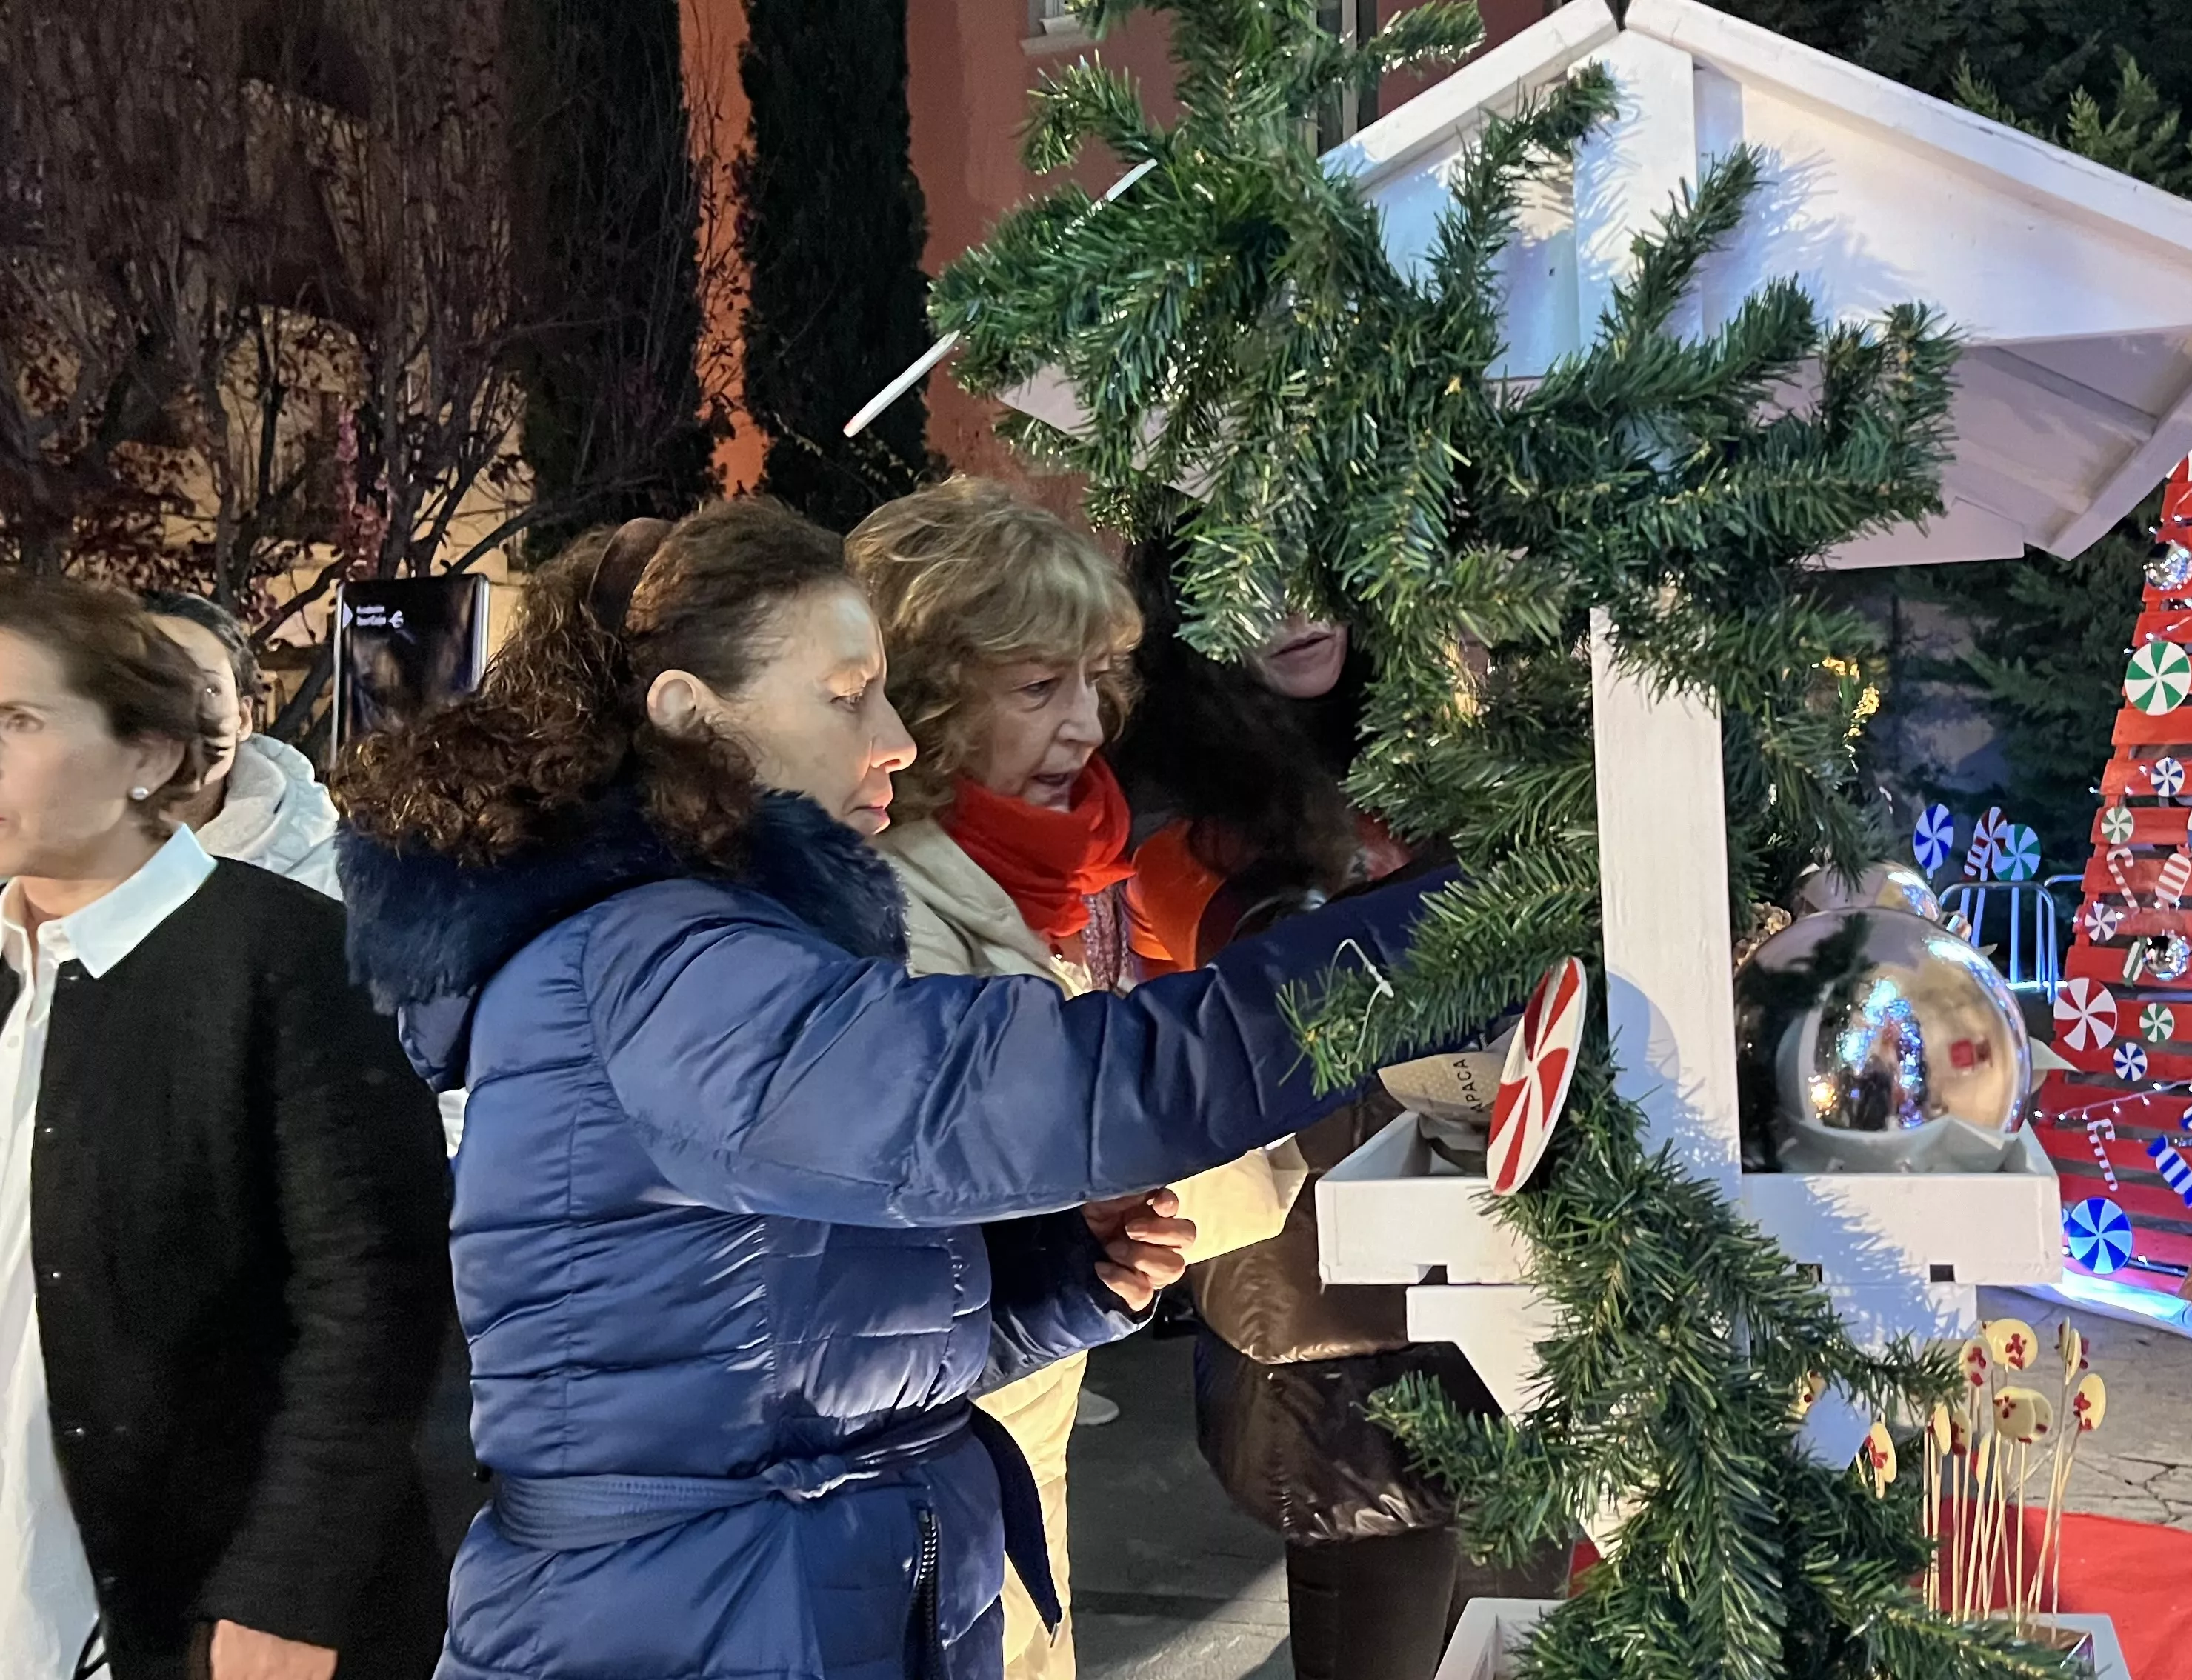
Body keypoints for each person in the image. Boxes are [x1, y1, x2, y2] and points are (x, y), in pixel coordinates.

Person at [333, 500, 1445, 1680]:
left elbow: (785, 1352)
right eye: (847, 695)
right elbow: (1092, 1083)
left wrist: (1051, 1280)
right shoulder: (666, 964)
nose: (897, 740)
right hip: (701, 1622)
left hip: (777, 1589)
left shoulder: (705, 942)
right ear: (691, 717)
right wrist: (1457, 930)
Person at [0, 574, 451, 1680]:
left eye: (16, 722)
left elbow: (373, 1302)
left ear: (151, 755)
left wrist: (289, 1592)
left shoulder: (296, 960)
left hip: (202, 1609)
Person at [847, 479, 1303, 1680]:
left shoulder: (1027, 879)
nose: (1087, 726)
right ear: (930, 699)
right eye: (1039, 686)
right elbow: (1029, 1168)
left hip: (997, 1473)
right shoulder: (901, 909)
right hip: (929, 1500)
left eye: (1096, 681)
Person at [1109, 553, 1566, 1680]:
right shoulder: (1171, 815)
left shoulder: (1418, 752)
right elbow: (1303, 1002)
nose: (1297, 610)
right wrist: (1530, 888)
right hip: (1332, 1326)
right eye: (1254, 574)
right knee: (1386, 1629)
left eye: (1319, 567)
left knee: (1511, 1633)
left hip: (1493, 1277)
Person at [140, 590, 343, 895]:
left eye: (209, 690)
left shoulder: (326, 872)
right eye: (145, 687)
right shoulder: (65, 865)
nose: (175, 712)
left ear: (243, 718)